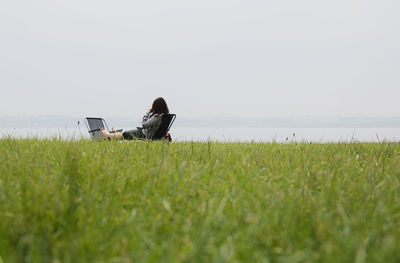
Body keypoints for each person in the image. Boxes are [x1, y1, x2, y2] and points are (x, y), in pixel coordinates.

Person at [101, 97, 170, 140]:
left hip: (145, 134)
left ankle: (107, 135)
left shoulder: (157, 117)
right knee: (124, 133)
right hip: (153, 135)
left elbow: (144, 125)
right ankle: (113, 133)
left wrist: (146, 114)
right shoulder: (166, 117)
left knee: (125, 134)